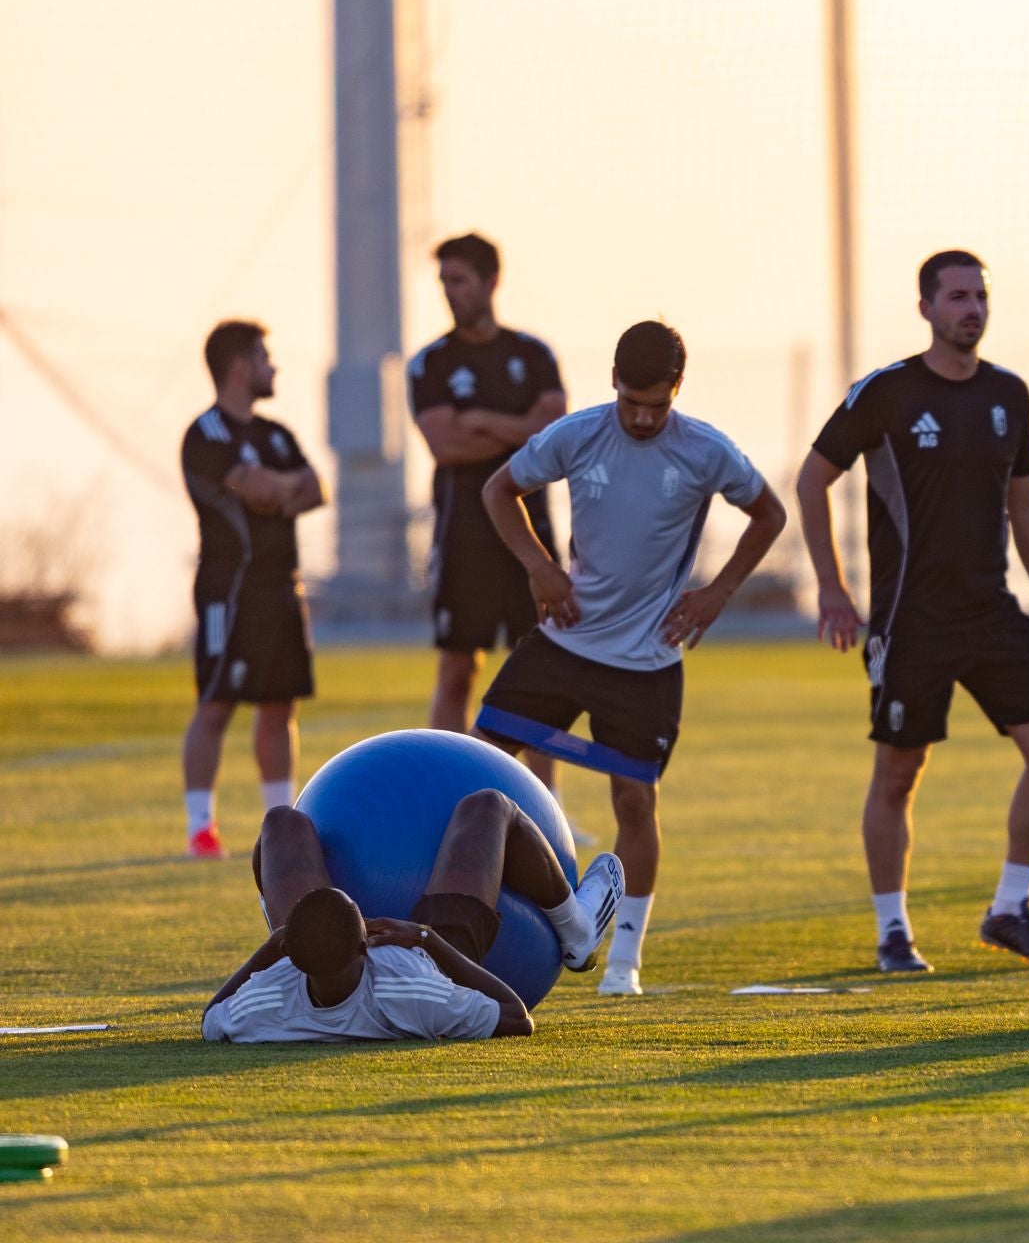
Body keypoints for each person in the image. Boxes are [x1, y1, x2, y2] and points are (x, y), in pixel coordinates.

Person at [476, 320, 787, 996]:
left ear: (678, 389)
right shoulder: (577, 435)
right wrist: (538, 567)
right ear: (612, 383)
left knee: (635, 805)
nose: (644, 418)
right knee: (479, 770)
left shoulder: (706, 451)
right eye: (631, 402)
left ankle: (623, 963)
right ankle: (475, 921)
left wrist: (719, 592)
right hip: (563, 639)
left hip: (646, 660)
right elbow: (498, 490)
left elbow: (769, 514)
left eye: (658, 404)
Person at [797, 251, 1029, 974]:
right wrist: (831, 585)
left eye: (980, 295)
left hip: (992, 611)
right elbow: (812, 479)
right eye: (957, 296)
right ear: (925, 307)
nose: (972, 308)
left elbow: (1023, 500)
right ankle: (893, 930)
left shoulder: (1009, 395)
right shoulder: (886, 394)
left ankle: (1010, 908)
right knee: (900, 771)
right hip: (909, 618)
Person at [202, 792, 623, 1043]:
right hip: (427, 957)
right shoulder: (415, 994)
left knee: (281, 822)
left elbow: (211, 1017)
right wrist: (424, 938)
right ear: (366, 944)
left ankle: (314, 935)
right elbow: (516, 1017)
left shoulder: (263, 1006)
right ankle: (577, 929)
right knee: (489, 807)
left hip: (310, 958)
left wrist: (286, 940)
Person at [407, 233, 567, 794]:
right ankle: (444, 794)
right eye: (444, 282)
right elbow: (445, 445)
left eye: (460, 280)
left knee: (541, 673)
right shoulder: (431, 363)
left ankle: (544, 806)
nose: (450, 292)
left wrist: (479, 419)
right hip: (463, 538)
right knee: (458, 671)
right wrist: (513, 429)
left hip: (532, 541)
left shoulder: (534, 356)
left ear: (490, 281)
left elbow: (550, 437)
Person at [179, 321, 327, 860]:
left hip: (283, 589)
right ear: (241, 366)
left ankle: (279, 824)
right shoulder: (206, 435)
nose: (274, 367)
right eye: (266, 357)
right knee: (216, 704)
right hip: (230, 590)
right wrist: (275, 488)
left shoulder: (277, 434)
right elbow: (265, 492)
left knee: (278, 706)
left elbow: (315, 489)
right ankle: (201, 828)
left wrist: (274, 488)